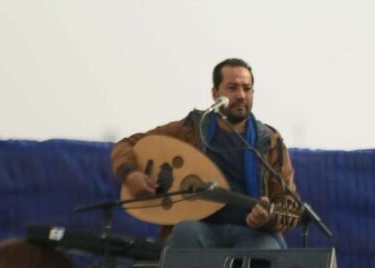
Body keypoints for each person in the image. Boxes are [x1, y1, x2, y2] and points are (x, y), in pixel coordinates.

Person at [111, 58, 301, 249]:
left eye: (247, 88)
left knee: (265, 252)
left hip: (252, 232)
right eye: (232, 88)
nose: (241, 95)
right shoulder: (191, 129)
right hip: (199, 227)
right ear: (215, 93)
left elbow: (288, 204)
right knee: (185, 233)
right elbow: (126, 145)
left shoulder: (269, 141)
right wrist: (130, 174)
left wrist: (268, 219)